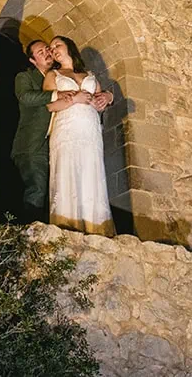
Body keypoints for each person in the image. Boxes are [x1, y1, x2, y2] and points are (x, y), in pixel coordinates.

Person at [43, 35, 115, 235]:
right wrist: (74, 99)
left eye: (57, 45)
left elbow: (101, 99)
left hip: (90, 130)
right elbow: (48, 105)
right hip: (66, 129)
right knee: (67, 170)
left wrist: (107, 97)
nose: (54, 49)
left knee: (91, 171)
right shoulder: (54, 75)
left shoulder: (89, 75)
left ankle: (97, 228)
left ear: (69, 46)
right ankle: (67, 226)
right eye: (51, 47)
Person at [11, 38, 61, 222]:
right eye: (41, 52)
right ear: (33, 60)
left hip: (58, 142)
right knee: (37, 189)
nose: (47, 53)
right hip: (32, 144)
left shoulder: (60, 77)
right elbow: (26, 97)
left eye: (47, 49)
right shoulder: (25, 77)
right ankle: (31, 237)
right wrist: (56, 95)